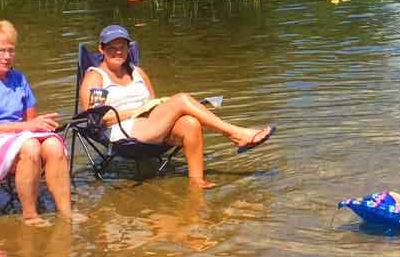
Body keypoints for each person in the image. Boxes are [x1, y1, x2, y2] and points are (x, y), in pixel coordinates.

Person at [79, 25, 275, 188]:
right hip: (122, 130)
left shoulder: (137, 72)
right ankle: (236, 134)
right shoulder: (96, 77)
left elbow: (153, 103)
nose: (118, 51)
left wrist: (154, 107)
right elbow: (96, 120)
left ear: (128, 48)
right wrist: (137, 111)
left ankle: (196, 182)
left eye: (122, 46)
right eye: (111, 47)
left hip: (149, 125)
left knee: (190, 123)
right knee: (181, 99)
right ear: (101, 49)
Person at [0, 19, 76, 225]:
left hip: (14, 138)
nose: (7, 56)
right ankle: (30, 215)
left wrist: (40, 126)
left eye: (11, 51)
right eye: (0, 51)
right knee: (29, 147)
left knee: (53, 144)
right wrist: (27, 128)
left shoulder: (19, 79)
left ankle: (65, 212)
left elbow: (31, 122)